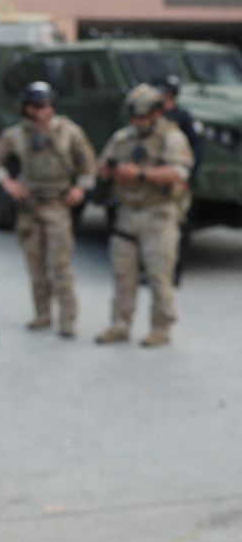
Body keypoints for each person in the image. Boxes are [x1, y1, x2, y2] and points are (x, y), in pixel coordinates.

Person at [0, 81, 96, 338]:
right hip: (29, 206)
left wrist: (81, 188)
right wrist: (7, 183)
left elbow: (89, 164)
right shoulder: (16, 134)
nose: (39, 113)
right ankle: (42, 313)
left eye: (44, 107)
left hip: (57, 204)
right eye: (34, 107)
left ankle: (68, 318)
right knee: (35, 266)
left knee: (61, 265)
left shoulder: (68, 132)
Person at [94, 83, 194, 348]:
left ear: (156, 113)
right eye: (135, 117)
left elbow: (179, 173)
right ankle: (120, 324)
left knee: (159, 274)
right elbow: (102, 165)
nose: (138, 122)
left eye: (143, 117)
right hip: (127, 212)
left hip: (158, 213)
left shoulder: (171, 138)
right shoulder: (123, 138)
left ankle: (161, 327)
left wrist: (139, 174)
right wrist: (108, 170)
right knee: (122, 273)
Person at [151, 74, 202, 284]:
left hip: (177, 181)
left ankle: (175, 272)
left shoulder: (183, 117)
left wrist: (188, 176)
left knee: (178, 226)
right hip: (155, 182)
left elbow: (197, 150)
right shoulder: (153, 116)